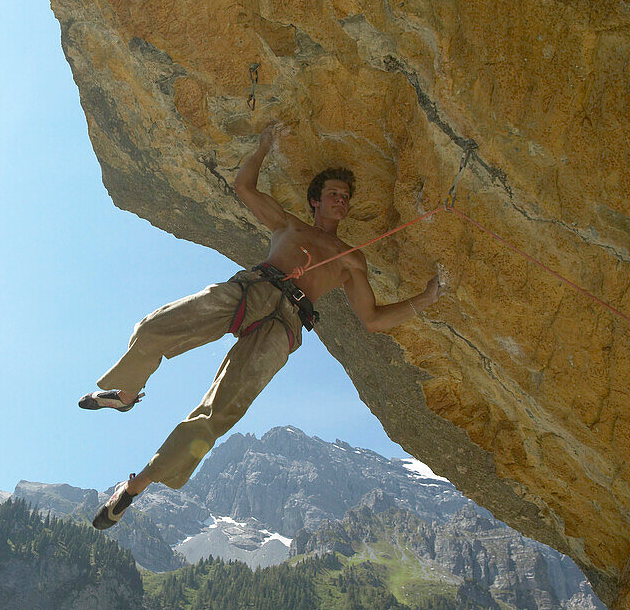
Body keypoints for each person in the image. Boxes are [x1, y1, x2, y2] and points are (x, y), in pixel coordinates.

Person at [79, 122, 441, 530]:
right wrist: (264, 145)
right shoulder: (288, 225)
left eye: (346, 197)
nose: (341, 201)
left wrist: (424, 300)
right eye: (334, 194)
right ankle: (125, 392)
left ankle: (135, 487)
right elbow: (245, 188)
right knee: (154, 327)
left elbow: (373, 319)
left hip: (286, 322)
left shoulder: (349, 259)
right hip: (251, 289)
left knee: (218, 414)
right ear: (315, 202)